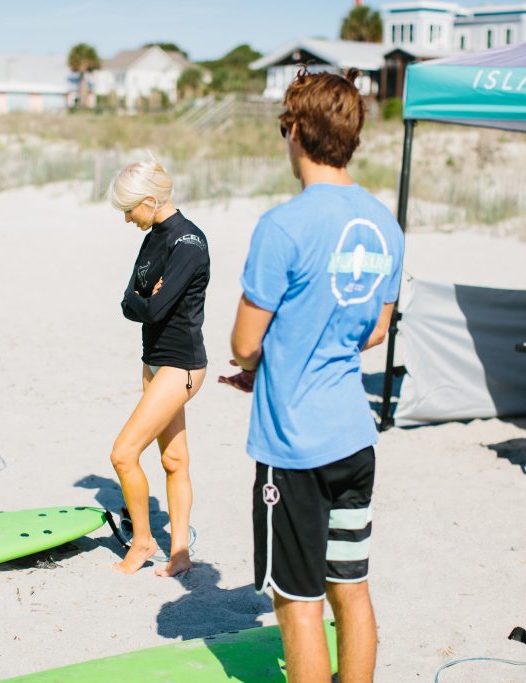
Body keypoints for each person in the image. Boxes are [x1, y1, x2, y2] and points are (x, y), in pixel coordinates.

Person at [222, 68, 405, 682]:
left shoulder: (283, 226)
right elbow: (375, 331)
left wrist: (262, 365)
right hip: (354, 437)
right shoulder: (385, 224)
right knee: (350, 589)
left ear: (296, 131)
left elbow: (245, 343)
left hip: (295, 447)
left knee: (297, 605)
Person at [107, 157, 210, 577]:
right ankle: (180, 551)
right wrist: (143, 299)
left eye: (130, 209)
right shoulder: (153, 238)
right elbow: (129, 301)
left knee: (123, 453)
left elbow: (153, 306)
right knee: (174, 460)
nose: (127, 219)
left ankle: (144, 541)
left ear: (150, 200)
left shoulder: (188, 242)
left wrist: (144, 299)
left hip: (181, 365)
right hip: (152, 362)